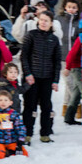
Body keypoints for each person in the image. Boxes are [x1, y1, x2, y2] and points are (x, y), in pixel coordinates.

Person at [21, 10, 62, 144]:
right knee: (30, 106)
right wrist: (28, 74)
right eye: (41, 20)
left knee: (46, 106)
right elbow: (24, 56)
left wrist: (55, 80)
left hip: (47, 78)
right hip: (32, 77)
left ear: (51, 23)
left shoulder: (54, 39)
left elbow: (57, 61)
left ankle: (45, 133)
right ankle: (27, 133)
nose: (43, 23)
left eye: (46, 21)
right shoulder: (31, 35)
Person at [56, 0, 81, 118]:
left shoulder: (79, 21)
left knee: (71, 84)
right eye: (69, 7)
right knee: (70, 82)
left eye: (74, 7)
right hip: (63, 56)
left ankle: (66, 107)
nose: (71, 9)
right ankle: (77, 107)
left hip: (75, 57)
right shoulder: (59, 19)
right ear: (65, 7)